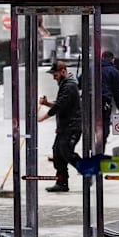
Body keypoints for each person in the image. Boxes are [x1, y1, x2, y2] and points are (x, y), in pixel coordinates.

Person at [38, 61, 82, 192]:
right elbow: (61, 103)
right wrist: (46, 103)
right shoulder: (65, 84)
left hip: (72, 126)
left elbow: (60, 105)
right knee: (57, 153)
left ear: (63, 72)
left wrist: (43, 117)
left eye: (55, 75)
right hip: (65, 127)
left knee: (66, 151)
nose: (53, 77)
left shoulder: (69, 86)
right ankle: (62, 182)